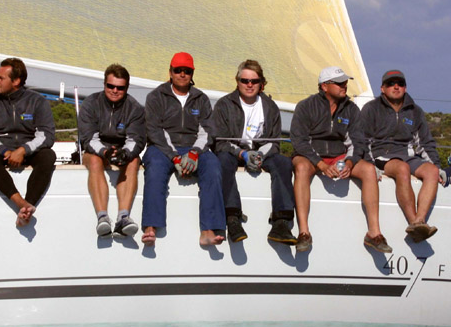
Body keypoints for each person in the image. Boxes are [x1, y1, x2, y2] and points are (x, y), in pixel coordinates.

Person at [290, 66, 390, 254]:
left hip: (340, 156)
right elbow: (299, 141)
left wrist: (349, 162)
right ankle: (303, 232)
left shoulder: (351, 109)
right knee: (301, 167)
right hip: (311, 157)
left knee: (369, 169)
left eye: (345, 82)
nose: (344, 85)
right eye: (339, 83)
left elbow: (358, 142)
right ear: (324, 86)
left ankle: (374, 233)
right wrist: (320, 164)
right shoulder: (305, 106)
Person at [141, 52, 225, 247]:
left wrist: (194, 152)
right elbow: (155, 130)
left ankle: (208, 230)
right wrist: (174, 157)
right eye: (178, 70)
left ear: (192, 74)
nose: (182, 74)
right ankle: (150, 226)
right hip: (162, 147)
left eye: (187, 71)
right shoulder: (156, 96)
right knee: (155, 168)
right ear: (170, 72)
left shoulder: (201, 99)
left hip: (193, 147)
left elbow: (207, 131)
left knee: (213, 166)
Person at [212, 59, 296, 244]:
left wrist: (260, 155)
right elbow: (219, 141)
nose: (249, 85)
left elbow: (274, 142)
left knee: (283, 162)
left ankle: (281, 223)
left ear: (261, 83)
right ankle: (232, 218)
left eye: (254, 81)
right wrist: (242, 154)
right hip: (233, 152)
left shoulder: (270, 107)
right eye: (245, 80)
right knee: (223, 160)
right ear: (238, 82)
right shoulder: (224, 105)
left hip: (261, 152)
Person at [361, 69, 447, 243]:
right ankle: (413, 222)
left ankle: (420, 221)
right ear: (382, 88)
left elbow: (425, 143)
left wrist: (437, 167)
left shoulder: (415, 111)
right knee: (402, 168)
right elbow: (363, 140)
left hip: (407, 154)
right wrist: (369, 165)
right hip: (381, 155)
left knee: (431, 171)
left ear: (405, 88)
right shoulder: (371, 109)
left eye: (400, 84)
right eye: (391, 84)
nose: (396, 87)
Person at [0, 57, 56, 227]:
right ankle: (20, 203)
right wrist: (4, 151)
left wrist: (23, 150)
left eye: (1, 78)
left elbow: (47, 134)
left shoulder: (37, 101)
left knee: (48, 156)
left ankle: (28, 206)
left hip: (29, 150)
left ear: (16, 81)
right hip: (2, 150)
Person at [78, 63, 145, 237]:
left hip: (123, 149)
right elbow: (88, 138)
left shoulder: (135, 108)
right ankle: (102, 217)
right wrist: (105, 152)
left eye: (120, 88)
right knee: (94, 160)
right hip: (96, 149)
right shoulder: (91, 103)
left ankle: (123, 217)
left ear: (126, 88)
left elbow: (136, 140)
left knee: (134, 161)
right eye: (111, 86)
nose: (115, 90)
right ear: (104, 84)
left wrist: (125, 154)